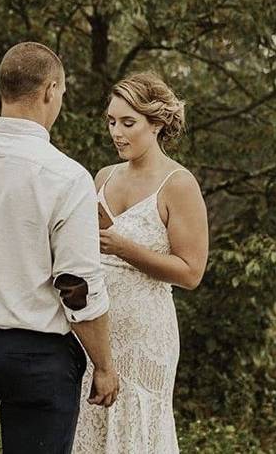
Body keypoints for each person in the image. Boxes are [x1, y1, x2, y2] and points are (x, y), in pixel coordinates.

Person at [0, 42, 119, 454]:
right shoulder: (66, 177)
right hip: (36, 353)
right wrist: (103, 365)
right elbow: (76, 284)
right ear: (50, 90)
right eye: (62, 94)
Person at [73, 72, 209, 453]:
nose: (117, 132)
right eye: (112, 122)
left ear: (158, 123)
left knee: (135, 426)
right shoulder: (104, 176)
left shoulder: (179, 184)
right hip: (94, 329)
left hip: (145, 334)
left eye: (128, 123)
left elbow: (191, 272)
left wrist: (124, 248)